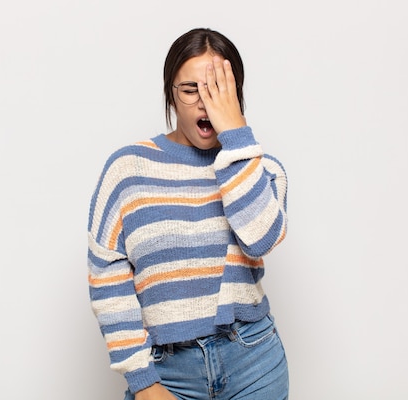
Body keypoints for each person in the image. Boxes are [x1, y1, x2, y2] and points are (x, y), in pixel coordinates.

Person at [87, 27, 289, 400]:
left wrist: (236, 134)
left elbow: (260, 237)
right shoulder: (128, 169)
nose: (203, 102)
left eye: (217, 89)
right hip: (166, 372)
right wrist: (142, 381)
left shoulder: (259, 170)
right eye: (190, 89)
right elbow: (107, 280)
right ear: (171, 94)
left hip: (253, 360)